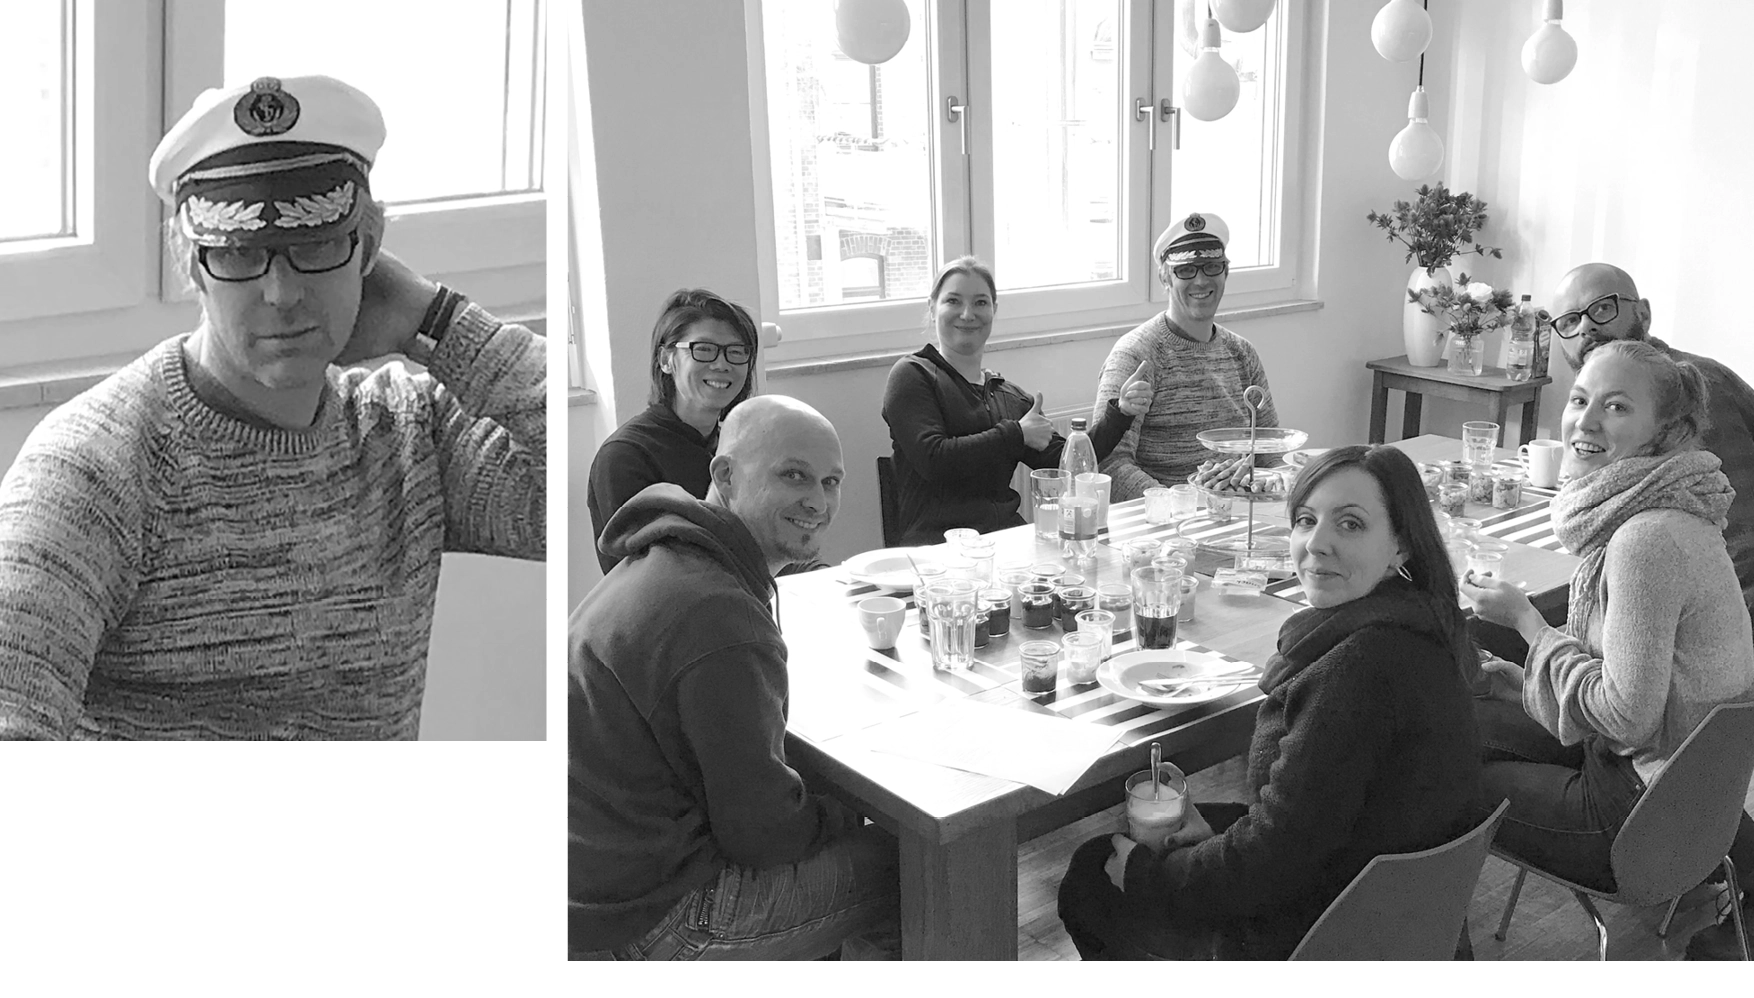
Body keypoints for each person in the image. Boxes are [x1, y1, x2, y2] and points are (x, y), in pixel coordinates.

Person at [0, 75, 551, 741]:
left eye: (316, 245)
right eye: (239, 252)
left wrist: (438, 321)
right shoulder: (94, 466)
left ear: (368, 251)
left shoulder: (410, 437)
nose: (281, 292)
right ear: (191, 262)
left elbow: (600, 485)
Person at [1058, 445, 1483, 966]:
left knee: (1091, 875)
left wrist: (1152, 879)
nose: (1317, 543)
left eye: (1350, 525)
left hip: (1320, 930)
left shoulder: (1361, 669)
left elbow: (1277, 857)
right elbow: (1303, 821)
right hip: (1381, 901)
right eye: (1306, 520)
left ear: (1401, 546)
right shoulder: (1421, 624)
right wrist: (1211, 839)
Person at [562, 395, 900, 967]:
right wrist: (845, 810)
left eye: (832, 481)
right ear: (725, 474)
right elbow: (763, 835)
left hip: (582, 881)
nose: (818, 502)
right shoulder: (718, 614)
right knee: (912, 868)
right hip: (642, 918)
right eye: (794, 475)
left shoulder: (662, 555)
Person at [1458, 340, 1754, 967]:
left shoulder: (1645, 539)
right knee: (1463, 719)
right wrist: (1529, 675)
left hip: (1639, 815)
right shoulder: (1676, 507)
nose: (1586, 422)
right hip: (1693, 795)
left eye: (1617, 407)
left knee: (1441, 773)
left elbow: (1625, 717)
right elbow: (1633, 683)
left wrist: (1529, 627)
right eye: (1580, 400)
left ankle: (1429, 952)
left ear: (1667, 432)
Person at [882, 256, 1153, 545]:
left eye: (980, 303)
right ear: (932, 308)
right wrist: (1017, 434)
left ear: (994, 311)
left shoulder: (1008, 396)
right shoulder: (912, 375)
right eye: (953, 301)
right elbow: (935, 460)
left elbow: (1072, 465)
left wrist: (1121, 412)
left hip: (1006, 545)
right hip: (937, 552)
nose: (967, 314)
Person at [1548, 262, 1754, 616]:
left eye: (1601, 308)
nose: (1587, 327)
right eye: (1570, 321)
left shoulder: (1693, 395)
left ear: (1643, 314)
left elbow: (1736, 532)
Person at [1094, 212, 1280, 502]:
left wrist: (1278, 484)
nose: (1201, 280)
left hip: (1243, 511)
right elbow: (1109, 464)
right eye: (1186, 270)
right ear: (1164, 277)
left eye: (1212, 266)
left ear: (1226, 273)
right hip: (1165, 524)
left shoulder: (1243, 354)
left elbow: (1270, 451)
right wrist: (1180, 504)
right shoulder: (1136, 354)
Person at [586, 288, 759, 574]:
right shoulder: (625, 456)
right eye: (703, 349)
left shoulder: (741, 443)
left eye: (736, 352)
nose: (722, 364)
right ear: (666, 360)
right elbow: (644, 574)